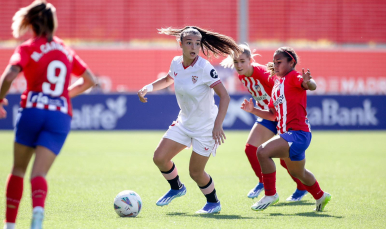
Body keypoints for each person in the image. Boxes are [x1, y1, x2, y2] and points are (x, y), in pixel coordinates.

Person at [0, 1, 97, 228]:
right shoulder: (65, 49)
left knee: (18, 170)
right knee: (39, 173)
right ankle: (38, 212)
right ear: (54, 23)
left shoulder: (28, 47)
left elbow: (8, 76)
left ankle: (10, 225)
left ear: (31, 23)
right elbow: (90, 80)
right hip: (60, 116)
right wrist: (63, 96)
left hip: (33, 110)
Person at [137, 26, 242, 214]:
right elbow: (169, 79)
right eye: (189, 43)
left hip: (206, 128)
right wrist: (148, 87)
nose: (194, 47)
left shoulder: (204, 68)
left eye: (197, 43)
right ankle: (177, 188)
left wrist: (218, 125)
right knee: (159, 158)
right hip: (184, 123)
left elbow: (224, 96)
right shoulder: (177, 63)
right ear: (181, 44)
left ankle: (213, 202)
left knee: (195, 172)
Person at [241, 47, 331, 212]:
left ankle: (270, 194)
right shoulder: (277, 85)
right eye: (274, 62)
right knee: (298, 173)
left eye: (279, 62)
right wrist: (252, 110)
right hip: (290, 135)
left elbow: (310, 85)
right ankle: (320, 196)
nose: (275, 65)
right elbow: (272, 115)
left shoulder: (293, 77)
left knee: (261, 152)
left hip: (297, 134)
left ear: (292, 63)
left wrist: (308, 82)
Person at [220, 44, 309, 201]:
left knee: (286, 162)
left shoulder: (261, 72)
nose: (239, 65)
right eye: (236, 62)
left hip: (280, 116)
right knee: (250, 148)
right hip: (267, 115)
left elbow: (282, 84)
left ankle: (302, 188)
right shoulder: (242, 76)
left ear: (250, 60)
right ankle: (263, 182)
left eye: (242, 61)